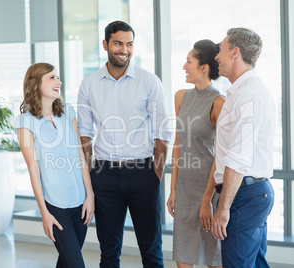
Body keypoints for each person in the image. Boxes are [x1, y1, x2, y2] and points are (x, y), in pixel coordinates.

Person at [77, 20, 171, 268]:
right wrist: (90, 177)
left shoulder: (149, 81)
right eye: (118, 43)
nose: (124, 50)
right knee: (108, 252)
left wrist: (155, 177)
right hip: (104, 175)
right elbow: (85, 135)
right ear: (105, 44)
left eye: (129, 44)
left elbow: (162, 134)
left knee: (151, 250)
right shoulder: (89, 84)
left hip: (143, 173)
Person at [15, 63, 94, 268]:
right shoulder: (25, 122)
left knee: (67, 262)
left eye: (58, 77)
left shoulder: (68, 111)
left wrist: (90, 196)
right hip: (55, 207)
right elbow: (34, 170)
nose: (58, 82)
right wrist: (44, 213)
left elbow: (80, 156)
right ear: (35, 83)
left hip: (80, 203)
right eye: (52, 78)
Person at [211, 28, 275, 268]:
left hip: (243, 194)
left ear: (235, 52)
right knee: (255, 263)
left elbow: (238, 158)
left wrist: (223, 208)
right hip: (251, 191)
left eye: (221, 49)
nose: (217, 56)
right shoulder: (246, 91)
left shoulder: (247, 95)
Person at [166, 39, 225, 268]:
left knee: (213, 259)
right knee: (183, 258)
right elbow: (178, 144)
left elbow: (219, 156)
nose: (184, 66)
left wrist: (207, 199)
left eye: (188, 61)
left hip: (208, 191)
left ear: (204, 67)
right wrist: (173, 189)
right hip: (184, 189)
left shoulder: (218, 103)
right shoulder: (181, 96)